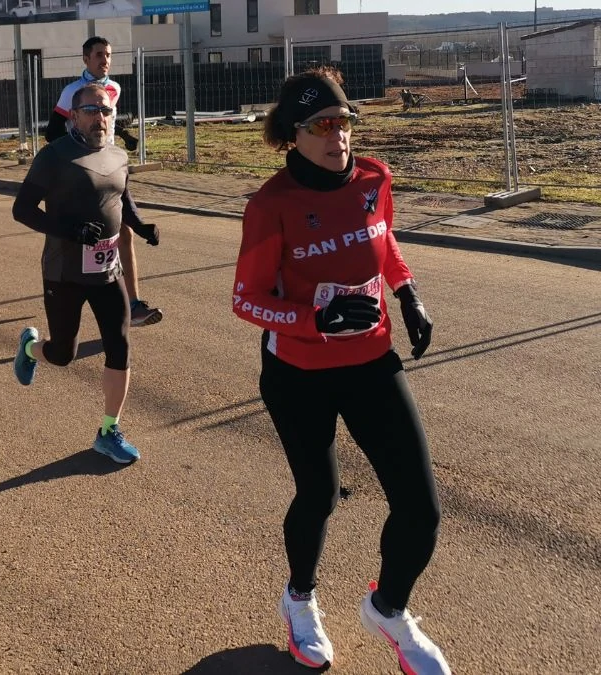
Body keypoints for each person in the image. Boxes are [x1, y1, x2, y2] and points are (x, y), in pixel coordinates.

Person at [232, 68, 448, 674]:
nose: (338, 136)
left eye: (345, 121)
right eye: (322, 126)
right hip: (298, 373)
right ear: (293, 135)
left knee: (421, 509)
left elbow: (386, 242)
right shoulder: (271, 205)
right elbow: (245, 299)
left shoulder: (375, 178)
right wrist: (316, 319)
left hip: (373, 362)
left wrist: (407, 294)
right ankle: (299, 597)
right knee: (319, 494)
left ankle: (388, 609)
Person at [12, 83, 160, 465]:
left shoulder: (117, 154)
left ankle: (109, 430)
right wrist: (70, 231)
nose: (101, 117)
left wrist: (140, 226)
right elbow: (23, 209)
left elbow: (122, 197)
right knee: (63, 354)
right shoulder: (55, 156)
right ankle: (30, 348)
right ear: (73, 115)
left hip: (108, 269)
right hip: (65, 272)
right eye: (92, 110)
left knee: (120, 342)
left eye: (107, 111)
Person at [45, 36, 162, 328]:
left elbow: (104, 120)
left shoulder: (115, 88)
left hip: (110, 167)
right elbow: (52, 132)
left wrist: (121, 136)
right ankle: (61, 292)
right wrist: (78, 153)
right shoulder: (72, 91)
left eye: (108, 54)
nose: (105, 60)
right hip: (80, 173)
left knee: (123, 233)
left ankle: (132, 304)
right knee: (77, 239)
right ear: (86, 59)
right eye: (98, 55)